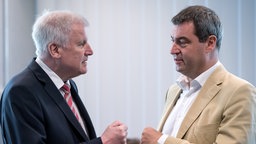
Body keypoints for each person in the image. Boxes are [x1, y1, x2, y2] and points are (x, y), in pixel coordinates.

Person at [0, 10, 128, 144]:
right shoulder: (21, 92)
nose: (90, 51)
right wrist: (103, 141)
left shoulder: (67, 85)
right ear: (55, 50)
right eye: (81, 44)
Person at [141, 5, 256, 144]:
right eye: (173, 41)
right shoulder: (174, 91)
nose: (172, 50)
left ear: (210, 43)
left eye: (182, 42)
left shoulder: (240, 92)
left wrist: (162, 140)